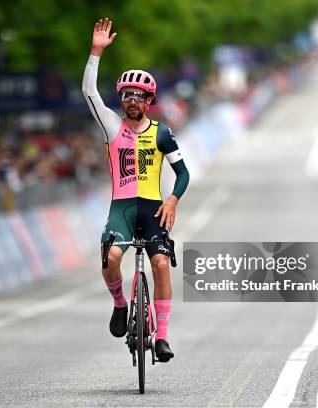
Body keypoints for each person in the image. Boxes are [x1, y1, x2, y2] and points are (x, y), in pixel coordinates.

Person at [82, 18, 190, 363]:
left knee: (160, 263)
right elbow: (88, 93)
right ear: (122, 100)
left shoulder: (162, 133)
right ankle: (119, 304)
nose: (132, 101)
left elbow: (183, 173)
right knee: (111, 258)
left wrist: (172, 198)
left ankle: (162, 337)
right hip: (122, 209)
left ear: (149, 101)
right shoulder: (112, 126)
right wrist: (96, 52)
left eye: (139, 97)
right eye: (127, 95)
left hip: (153, 208)